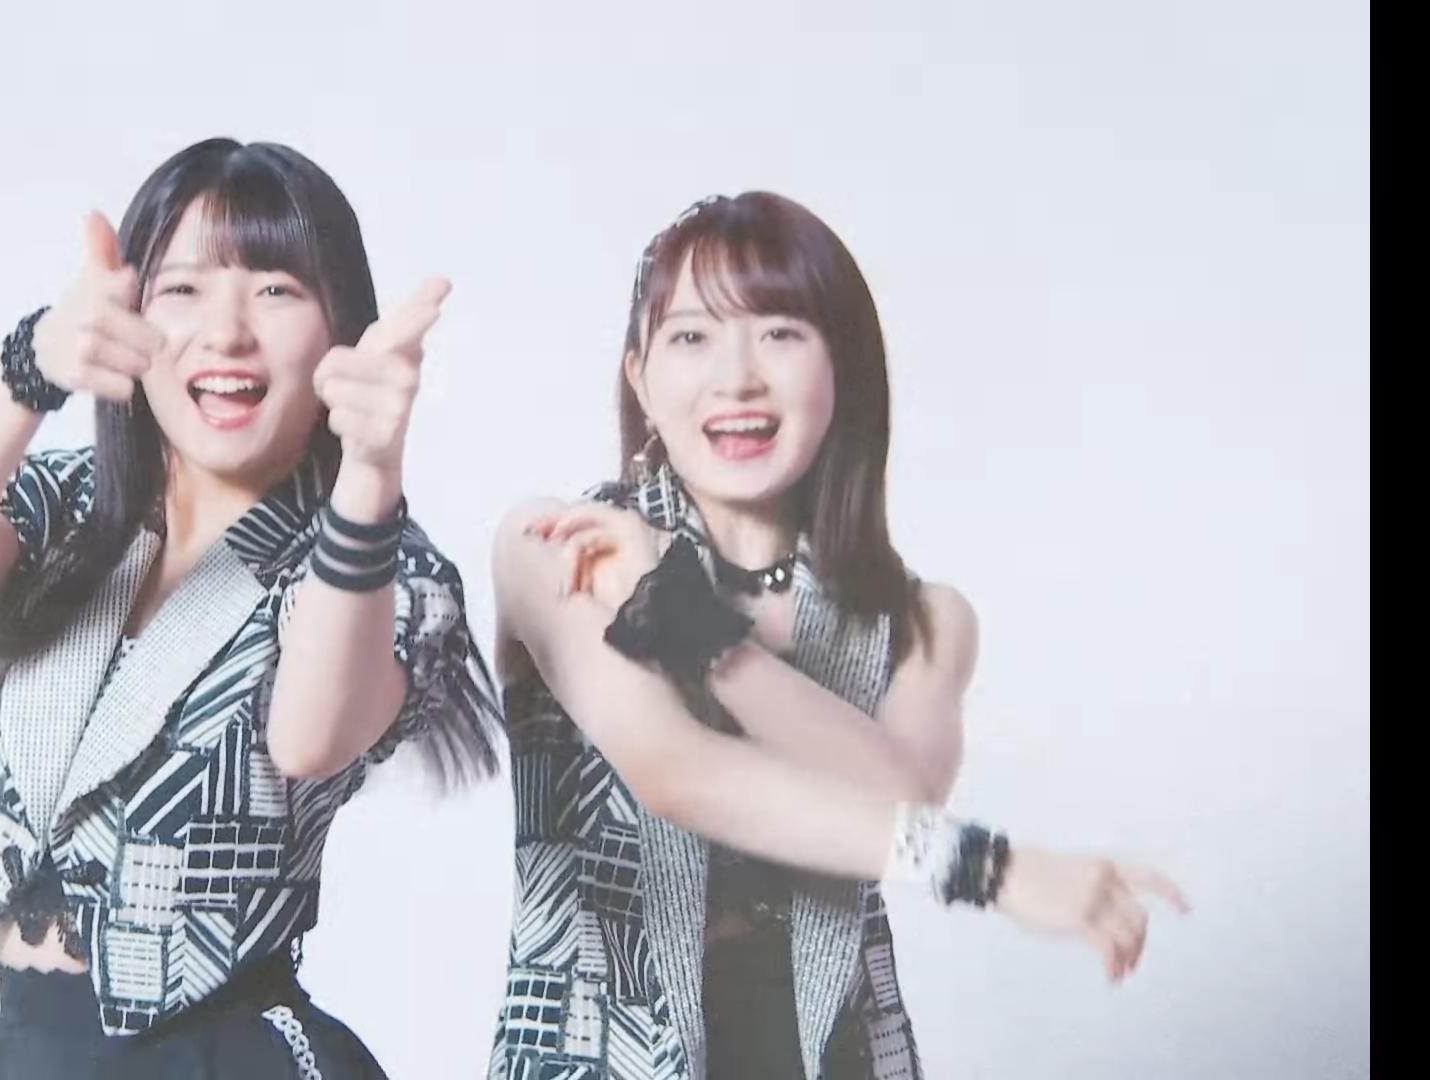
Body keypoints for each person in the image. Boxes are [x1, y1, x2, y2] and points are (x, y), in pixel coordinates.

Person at [489, 191, 1188, 1079]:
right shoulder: (563, 546)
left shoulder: (923, 622)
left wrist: (694, 629)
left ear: (844, 370)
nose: (737, 378)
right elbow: (675, 774)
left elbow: (900, 794)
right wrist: (994, 869)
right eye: (692, 337)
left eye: (780, 332)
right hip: (599, 1053)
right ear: (641, 379)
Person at [0, 137, 501, 1078]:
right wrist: (32, 367)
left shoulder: (384, 569)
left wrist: (369, 475)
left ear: (341, 329)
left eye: (275, 289)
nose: (226, 332)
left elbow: (312, 736)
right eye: (183, 289)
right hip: (33, 1049)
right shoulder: (72, 511)